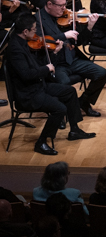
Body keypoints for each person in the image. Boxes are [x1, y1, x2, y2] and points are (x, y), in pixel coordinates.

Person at [6, 19, 94, 155]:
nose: (36, 33)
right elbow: (27, 75)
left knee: (70, 91)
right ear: (25, 32)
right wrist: (47, 69)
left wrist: (54, 54)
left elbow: (36, 65)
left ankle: (74, 130)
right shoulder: (15, 50)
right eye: (34, 29)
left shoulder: (23, 43)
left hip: (37, 86)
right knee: (59, 109)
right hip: (28, 94)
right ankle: (41, 142)